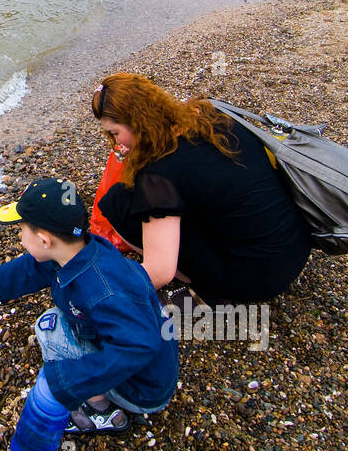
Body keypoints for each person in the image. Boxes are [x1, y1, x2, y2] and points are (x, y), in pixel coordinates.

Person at [0, 177, 178, 438]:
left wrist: (69, 381)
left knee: (50, 328)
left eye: (21, 229)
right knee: (60, 320)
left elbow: (138, 346)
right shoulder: (81, 250)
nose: (19, 236)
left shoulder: (103, 290)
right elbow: (39, 265)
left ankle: (101, 412)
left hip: (143, 390)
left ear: (43, 239)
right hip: (147, 365)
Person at [91, 74, 312, 306]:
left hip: (255, 280)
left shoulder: (158, 175)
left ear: (138, 122)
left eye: (115, 133)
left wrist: (101, 296)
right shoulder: (211, 115)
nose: (117, 143)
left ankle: (200, 285)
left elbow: (159, 272)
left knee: (116, 202)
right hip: (294, 246)